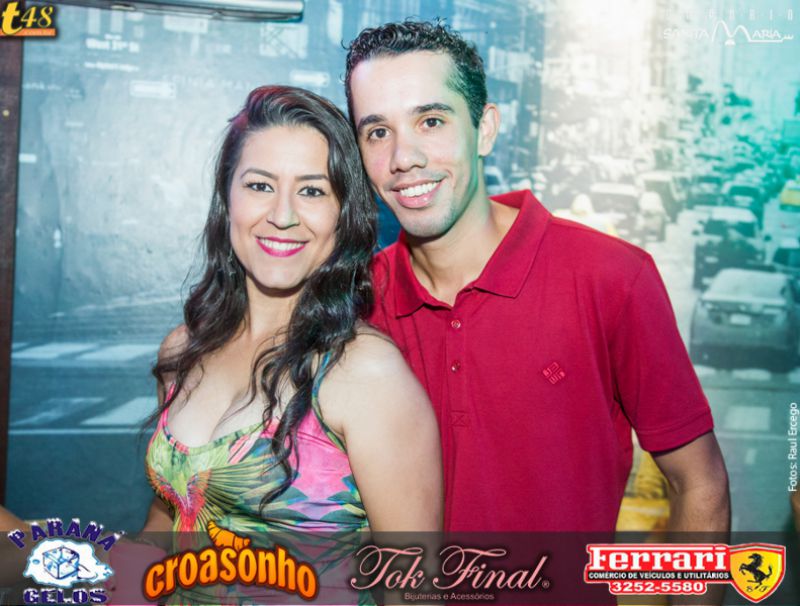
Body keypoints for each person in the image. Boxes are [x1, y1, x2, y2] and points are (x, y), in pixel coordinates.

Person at [0, 86, 443, 602]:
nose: (283, 214)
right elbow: (170, 526)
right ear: (226, 197)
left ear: (343, 213)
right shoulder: (182, 352)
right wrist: (61, 559)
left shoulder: (366, 374)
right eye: (259, 185)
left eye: (312, 191)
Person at [344, 21, 730, 533]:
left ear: (485, 129)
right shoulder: (354, 299)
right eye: (378, 132)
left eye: (431, 121)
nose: (403, 158)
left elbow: (699, 483)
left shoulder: (611, 278)